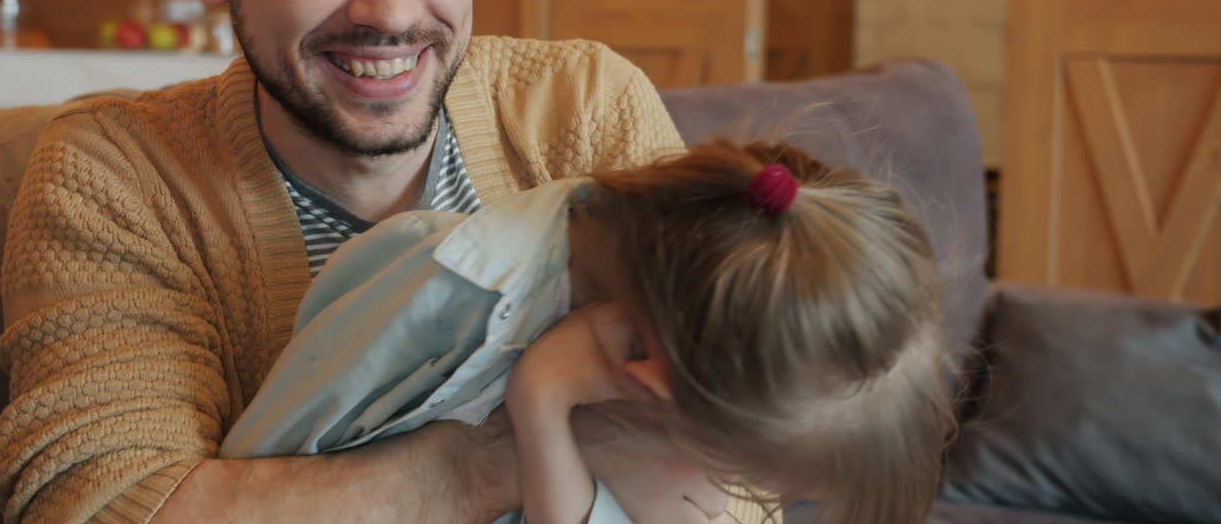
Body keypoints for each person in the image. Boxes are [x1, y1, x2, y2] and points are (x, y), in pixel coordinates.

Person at [0, 0, 736, 523]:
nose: (392, 11)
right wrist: (513, 454)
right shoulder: (118, 175)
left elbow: (747, 452)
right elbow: (102, 508)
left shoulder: (583, 108)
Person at [219, 140, 955, 524]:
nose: (730, 495)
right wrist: (540, 416)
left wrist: (545, 399)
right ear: (654, 382)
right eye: (736, 471)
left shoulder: (691, 296)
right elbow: (261, 473)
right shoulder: (439, 291)